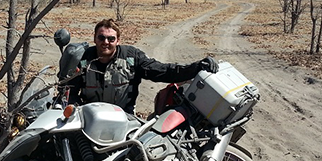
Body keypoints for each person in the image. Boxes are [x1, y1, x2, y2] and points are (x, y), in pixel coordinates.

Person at [67, 18, 218, 114]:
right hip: (88, 118)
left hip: (124, 119)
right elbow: (69, 90)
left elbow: (163, 71)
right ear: (94, 38)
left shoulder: (132, 57)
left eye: (111, 38)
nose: (105, 42)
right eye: (101, 37)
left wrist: (196, 67)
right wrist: (75, 110)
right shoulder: (83, 59)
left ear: (118, 40)